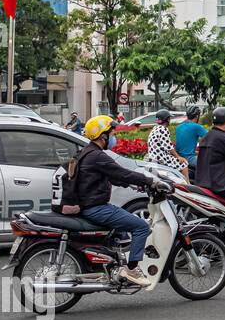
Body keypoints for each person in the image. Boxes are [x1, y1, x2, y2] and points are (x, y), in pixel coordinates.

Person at [71, 115, 166, 287]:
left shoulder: (88, 153)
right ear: (103, 136)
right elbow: (122, 172)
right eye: (111, 133)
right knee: (141, 227)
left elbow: (112, 177)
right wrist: (151, 181)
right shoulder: (97, 156)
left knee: (121, 231)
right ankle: (131, 269)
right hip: (96, 208)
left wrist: (131, 184)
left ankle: (115, 263)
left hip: (90, 205)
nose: (114, 137)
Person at [146, 109, 188, 174]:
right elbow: (168, 147)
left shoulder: (155, 128)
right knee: (184, 163)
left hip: (153, 157)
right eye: (169, 118)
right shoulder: (163, 129)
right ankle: (186, 183)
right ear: (167, 119)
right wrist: (178, 157)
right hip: (160, 158)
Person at [175, 106, 207, 174]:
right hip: (189, 158)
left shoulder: (178, 127)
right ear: (197, 116)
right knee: (213, 163)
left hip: (179, 157)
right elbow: (212, 137)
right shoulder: (196, 127)